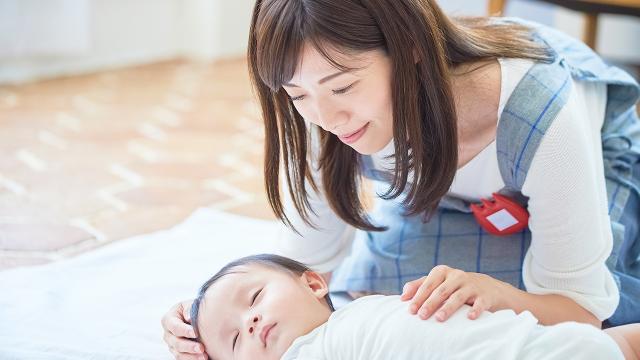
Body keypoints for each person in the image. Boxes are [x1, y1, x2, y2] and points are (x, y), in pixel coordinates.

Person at [161, 0, 640, 358]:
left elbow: (580, 310)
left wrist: (500, 295)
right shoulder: (320, 109)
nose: (326, 116)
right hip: (445, 194)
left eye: (344, 86)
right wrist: (209, 322)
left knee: (526, 328)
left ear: (408, 48)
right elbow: (300, 273)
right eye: (296, 95)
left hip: (592, 159)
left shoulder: (541, 115)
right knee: (389, 308)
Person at [189, 254, 639, 360]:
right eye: (232, 340)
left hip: (523, 343)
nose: (249, 322)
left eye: (254, 298)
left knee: (602, 344)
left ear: (312, 282)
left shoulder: (359, 313)